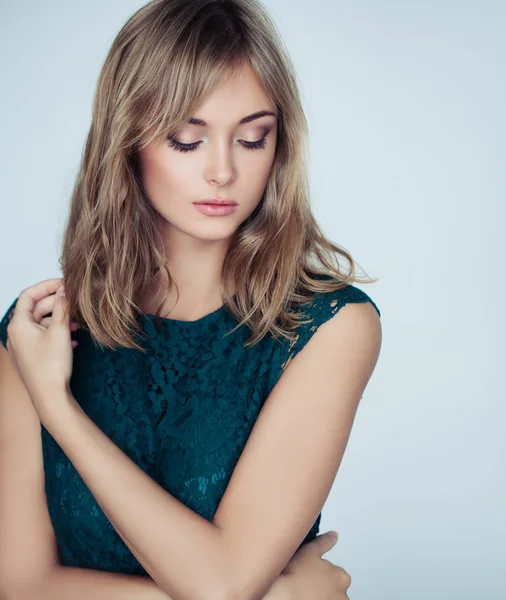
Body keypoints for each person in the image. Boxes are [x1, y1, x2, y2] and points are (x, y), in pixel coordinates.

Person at [0, 0, 382, 598]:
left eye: (253, 138)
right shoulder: (37, 334)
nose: (223, 171)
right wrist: (275, 596)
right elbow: (19, 585)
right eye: (186, 141)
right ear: (127, 141)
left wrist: (60, 414)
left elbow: (224, 585)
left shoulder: (330, 327)